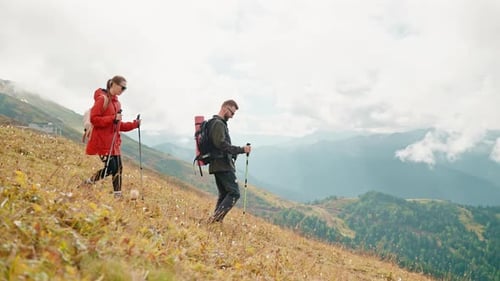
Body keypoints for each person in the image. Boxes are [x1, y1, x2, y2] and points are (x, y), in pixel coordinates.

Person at [79, 75, 141, 198]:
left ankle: (117, 195)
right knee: (112, 168)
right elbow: (94, 119)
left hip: (113, 143)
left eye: (125, 89)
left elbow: (118, 125)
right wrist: (113, 118)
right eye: (122, 87)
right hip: (102, 142)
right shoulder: (102, 99)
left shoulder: (117, 103)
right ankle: (88, 183)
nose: (123, 91)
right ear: (113, 84)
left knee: (118, 169)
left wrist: (134, 124)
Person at [207, 99, 251, 223]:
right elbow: (221, 144)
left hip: (217, 164)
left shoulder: (215, 123)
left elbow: (221, 145)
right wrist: (242, 149)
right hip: (222, 164)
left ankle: (214, 221)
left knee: (224, 193)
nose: (232, 117)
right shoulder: (218, 124)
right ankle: (215, 220)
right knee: (234, 193)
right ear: (225, 108)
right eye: (232, 113)